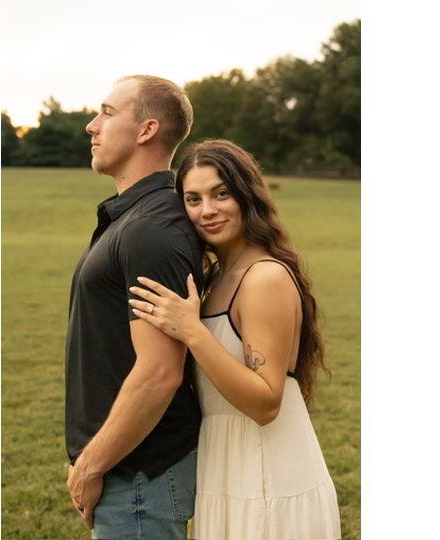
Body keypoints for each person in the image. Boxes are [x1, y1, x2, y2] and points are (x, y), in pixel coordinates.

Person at [129, 139, 342, 539]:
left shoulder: (264, 278)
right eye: (193, 199)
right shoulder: (215, 279)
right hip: (226, 468)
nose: (207, 210)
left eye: (221, 194)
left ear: (247, 195)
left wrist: (192, 331)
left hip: (268, 477)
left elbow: (266, 403)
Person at [65, 75, 204, 540]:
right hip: (128, 469)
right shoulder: (132, 218)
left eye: (106, 113)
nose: (91, 125)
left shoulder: (150, 230)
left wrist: (91, 463)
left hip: (139, 474)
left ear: (146, 130)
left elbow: (160, 371)